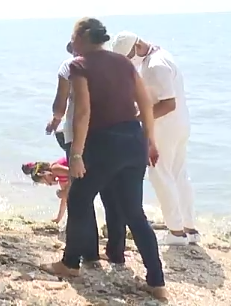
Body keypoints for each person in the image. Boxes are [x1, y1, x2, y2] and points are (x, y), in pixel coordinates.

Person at [42, 18, 167, 302]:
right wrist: (149, 140)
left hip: (102, 142)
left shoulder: (79, 65)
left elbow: (84, 112)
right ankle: (157, 281)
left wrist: (76, 154)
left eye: (72, 37)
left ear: (81, 38)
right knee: (135, 213)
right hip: (133, 140)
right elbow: (145, 102)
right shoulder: (123, 62)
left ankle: (70, 263)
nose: (71, 43)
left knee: (79, 200)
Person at [112, 31, 199, 246]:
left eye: (128, 57)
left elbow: (168, 103)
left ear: (136, 47)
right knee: (179, 174)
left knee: (159, 174)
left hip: (165, 126)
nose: (129, 62)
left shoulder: (154, 65)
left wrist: (138, 116)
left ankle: (176, 232)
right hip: (179, 124)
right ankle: (190, 228)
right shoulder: (161, 55)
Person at [47, 42, 77, 155]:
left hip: (77, 134)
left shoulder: (69, 66)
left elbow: (59, 109)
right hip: (109, 131)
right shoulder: (113, 63)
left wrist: (56, 119)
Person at [22, 159, 70, 224]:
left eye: (45, 182)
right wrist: (58, 219)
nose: (48, 185)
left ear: (45, 174)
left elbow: (74, 173)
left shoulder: (55, 169)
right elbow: (64, 199)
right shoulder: (61, 180)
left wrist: (66, 191)